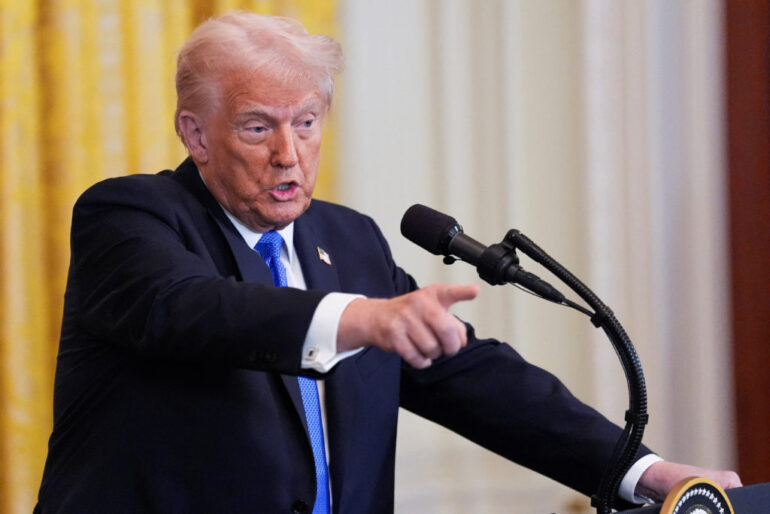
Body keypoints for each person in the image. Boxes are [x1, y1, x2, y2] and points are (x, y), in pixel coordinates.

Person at [34, 11, 740, 514]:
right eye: (258, 127)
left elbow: (471, 378)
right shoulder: (130, 218)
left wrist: (641, 471)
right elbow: (193, 309)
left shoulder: (351, 242)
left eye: (307, 122)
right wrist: (365, 319)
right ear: (197, 134)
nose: (290, 153)